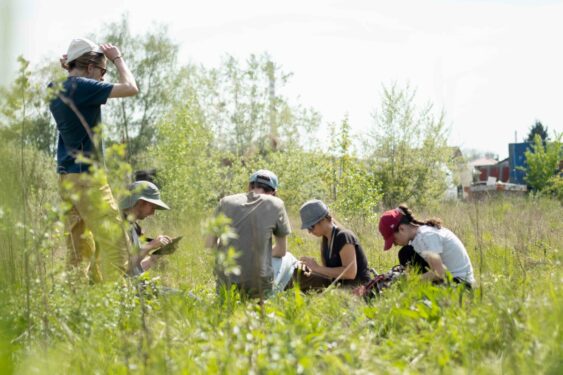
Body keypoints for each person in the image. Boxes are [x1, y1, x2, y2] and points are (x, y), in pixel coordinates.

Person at [49, 37, 139, 282]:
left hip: (67, 179)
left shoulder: (54, 88)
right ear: (89, 67)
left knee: (78, 249)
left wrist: (71, 66)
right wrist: (117, 59)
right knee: (115, 243)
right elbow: (131, 87)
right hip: (89, 179)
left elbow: (71, 77)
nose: (102, 77)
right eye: (102, 71)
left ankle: (79, 307)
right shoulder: (84, 87)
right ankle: (117, 306)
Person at [209, 170, 292, 299]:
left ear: (249, 186)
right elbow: (281, 251)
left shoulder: (225, 202)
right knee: (289, 258)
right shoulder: (276, 204)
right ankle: (272, 297)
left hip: (226, 285)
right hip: (257, 287)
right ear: (274, 192)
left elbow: (210, 243)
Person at [378, 205, 475, 288]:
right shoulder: (418, 237)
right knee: (405, 253)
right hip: (452, 280)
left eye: (394, 240)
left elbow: (440, 272)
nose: (395, 244)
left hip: (461, 285)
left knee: (405, 253)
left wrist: (408, 281)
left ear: (402, 229)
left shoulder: (426, 237)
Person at [296, 199, 371, 291]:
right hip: (341, 287)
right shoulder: (326, 241)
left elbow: (350, 273)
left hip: (358, 288)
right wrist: (311, 270)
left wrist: (317, 268)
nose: (309, 231)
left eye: (311, 227)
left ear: (323, 220)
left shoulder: (344, 236)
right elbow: (329, 274)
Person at [119, 181, 173, 276]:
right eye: (152, 207)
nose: (153, 213)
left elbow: (135, 269)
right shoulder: (118, 226)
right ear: (140, 202)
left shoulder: (134, 227)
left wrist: (155, 257)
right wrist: (151, 245)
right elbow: (123, 268)